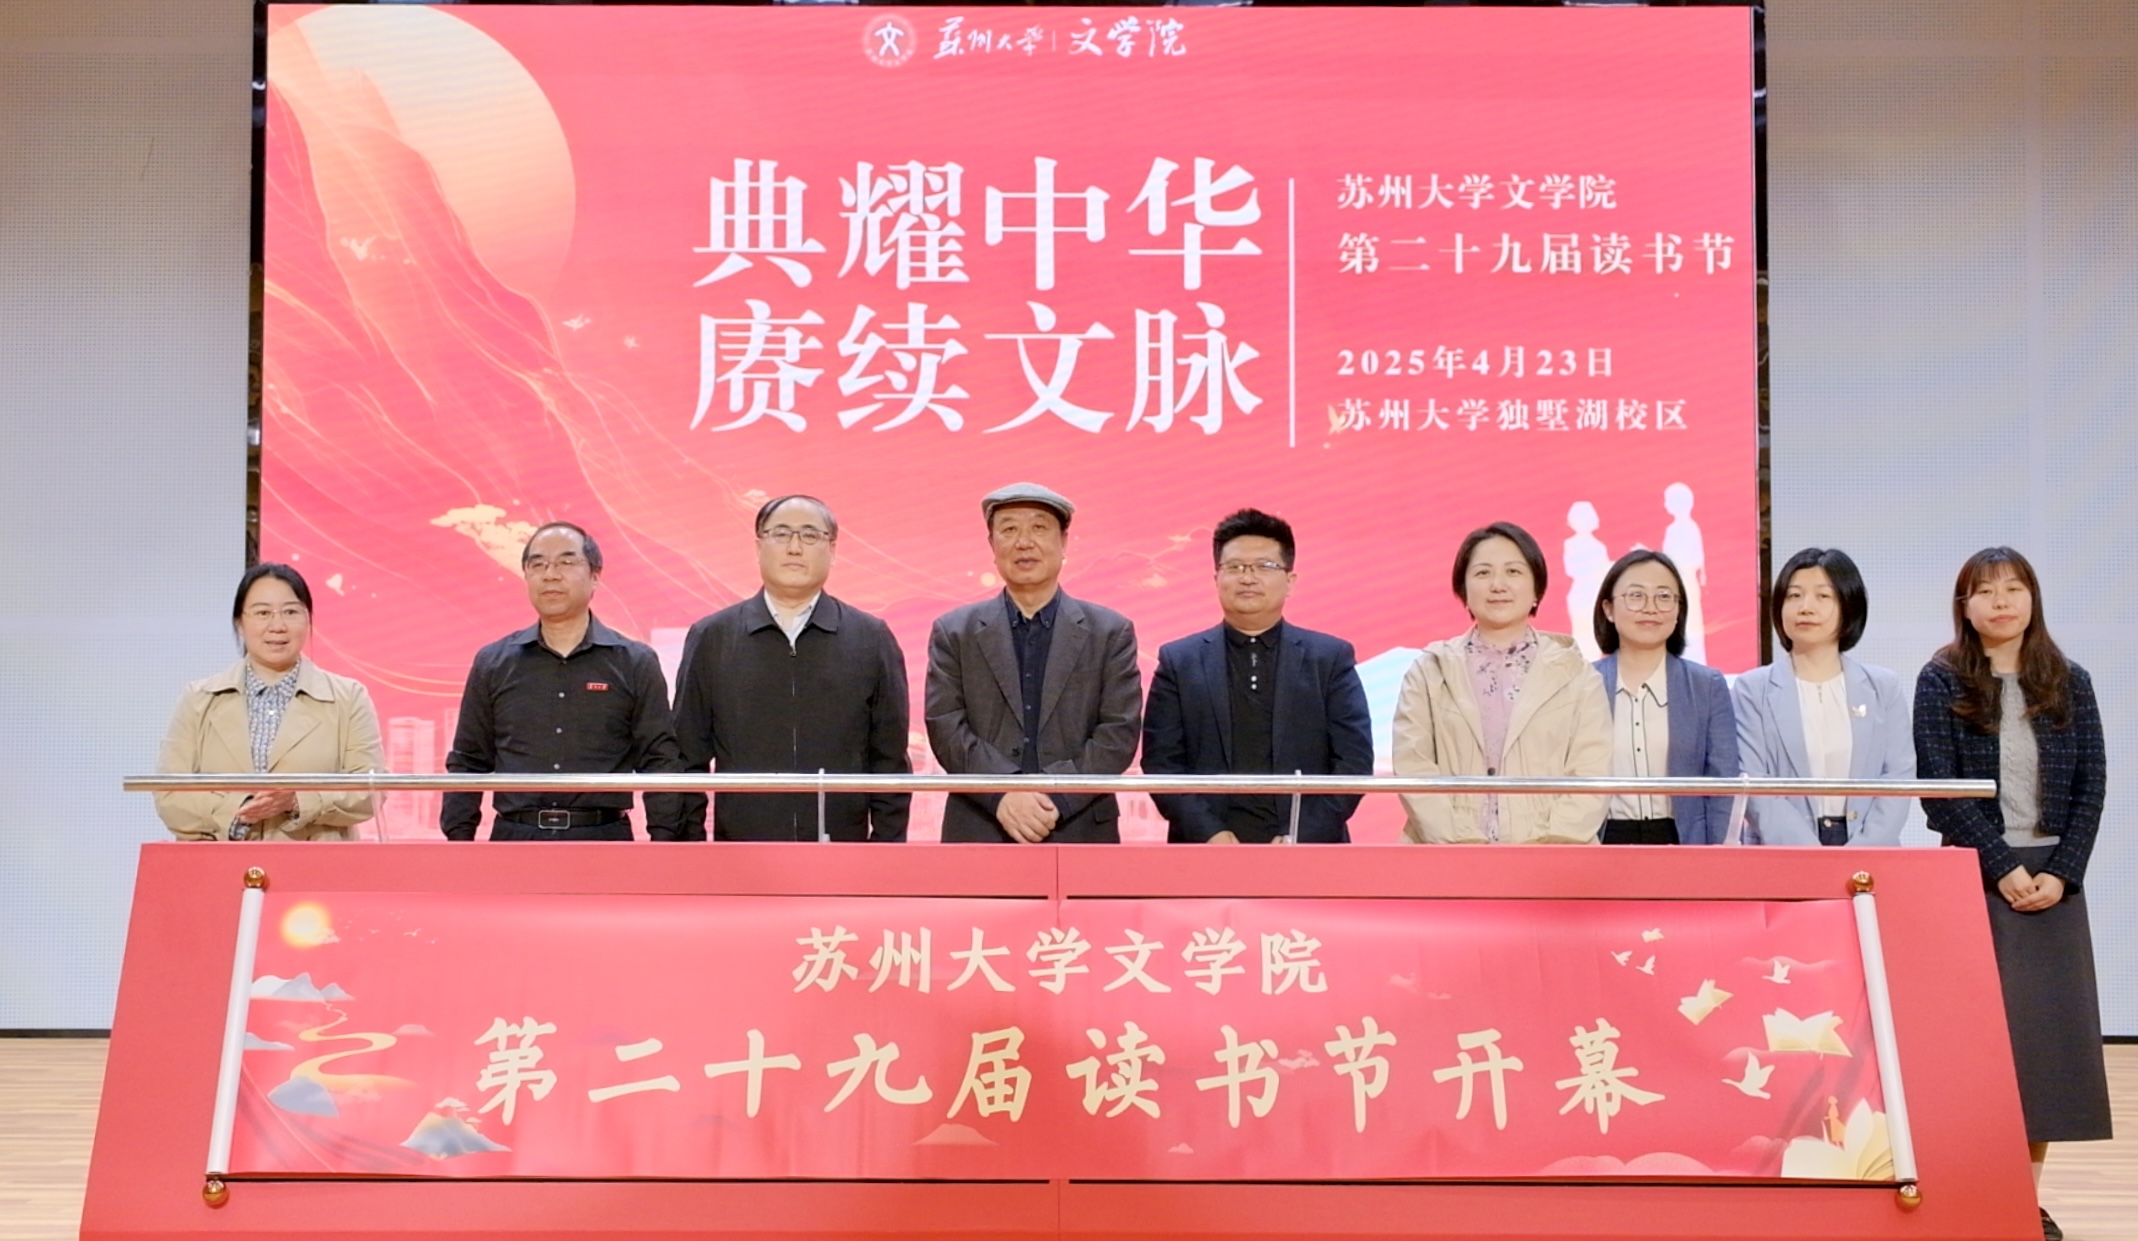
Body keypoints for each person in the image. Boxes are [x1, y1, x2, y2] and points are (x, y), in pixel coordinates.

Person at [1913, 548, 2110, 1241]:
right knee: (1976, 1052)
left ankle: (2024, 1202)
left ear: (2033, 598)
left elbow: (2091, 786)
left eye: (2013, 588)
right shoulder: (1941, 679)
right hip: (1974, 879)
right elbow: (1939, 790)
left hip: (2054, 884)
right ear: (1964, 606)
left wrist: (2062, 871)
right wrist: (2000, 866)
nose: (2001, 601)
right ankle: (1972, 1192)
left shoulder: (2070, 681)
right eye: (1985, 591)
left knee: (2043, 1057)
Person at [671, 495, 910, 841]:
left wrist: (885, 848)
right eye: (781, 534)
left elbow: (890, 759)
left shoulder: (871, 638)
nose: (795, 548)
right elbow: (686, 756)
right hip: (739, 852)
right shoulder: (713, 637)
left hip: (843, 850)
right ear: (758, 547)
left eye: (810, 535)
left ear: (832, 549)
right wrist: (689, 848)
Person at [925, 482, 1141, 843]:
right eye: (1009, 529)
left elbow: (1119, 732)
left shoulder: (1110, 631)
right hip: (981, 824)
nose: (1024, 542)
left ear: (1064, 542)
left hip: (1080, 825)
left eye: (1039, 528)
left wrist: (1056, 797)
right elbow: (945, 725)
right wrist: (1003, 794)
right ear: (992, 545)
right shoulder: (954, 631)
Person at [1142, 509, 1374, 844]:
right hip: (1206, 849)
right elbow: (1161, 763)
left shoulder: (1329, 658)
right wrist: (1209, 833)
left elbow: (1353, 762)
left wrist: (1300, 835)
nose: (1248, 578)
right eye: (1235, 567)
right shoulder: (1179, 661)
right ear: (1216, 578)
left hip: (1306, 848)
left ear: (1290, 581)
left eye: (1264, 566)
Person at [441, 522, 682, 841]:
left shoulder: (634, 662)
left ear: (595, 576)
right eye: (538, 564)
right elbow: (468, 760)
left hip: (603, 838)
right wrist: (459, 841)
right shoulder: (493, 662)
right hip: (515, 838)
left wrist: (665, 843)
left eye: (566, 562)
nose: (550, 575)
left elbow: (659, 760)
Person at [1391, 521, 1611, 843]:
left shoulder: (1577, 674)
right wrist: (1462, 843)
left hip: (1554, 859)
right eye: (1483, 573)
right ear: (1464, 590)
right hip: (1445, 855)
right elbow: (1413, 765)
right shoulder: (1430, 670)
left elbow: (1591, 772)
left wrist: (1548, 847)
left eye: (1513, 572)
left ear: (1536, 590)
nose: (1498, 585)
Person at [155, 563, 382, 841]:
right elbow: (169, 793)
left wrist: (297, 801)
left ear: (308, 619)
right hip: (220, 861)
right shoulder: (198, 699)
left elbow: (370, 791)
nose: (277, 626)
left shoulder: (349, 698)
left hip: (317, 862)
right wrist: (238, 808)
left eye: (291, 612)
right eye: (263, 613)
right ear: (239, 622)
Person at [1732, 548, 1913, 846]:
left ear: (1848, 605)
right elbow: (1754, 783)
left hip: (1869, 853)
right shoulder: (1752, 689)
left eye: (1823, 596)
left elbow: (1898, 778)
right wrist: (1811, 856)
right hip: (1781, 851)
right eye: (1794, 596)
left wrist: (1860, 853)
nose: (1806, 607)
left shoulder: (1884, 688)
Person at [1591, 549, 1740, 844]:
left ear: (1678, 610)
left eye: (1663, 596)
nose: (1651, 608)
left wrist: (1718, 853)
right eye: (1636, 596)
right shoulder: (1583, 684)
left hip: (1684, 842)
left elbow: (1723, 784)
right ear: (1608, 609)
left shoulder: (1707, 686)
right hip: (1602, 842)